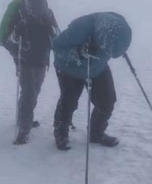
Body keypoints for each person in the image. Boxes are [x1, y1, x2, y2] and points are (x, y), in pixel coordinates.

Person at [52, 12, 132, 150]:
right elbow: (57, 47)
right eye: (107, 49)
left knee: (107, 100)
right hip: (70, 68)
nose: (108, 52)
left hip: (97, 68)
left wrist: (119, 49)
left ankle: (96, 133)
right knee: (69, 101)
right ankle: (61, 133)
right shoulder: (80, 28)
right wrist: (79, 52)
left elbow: (114, 46)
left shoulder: (118, 31)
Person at [0, 0, 59, 145]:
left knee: (35, 91)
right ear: (28, 1)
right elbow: (7, 41)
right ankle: (24, 128)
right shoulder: (19, 15)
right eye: (36, 2)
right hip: (24, 59)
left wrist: (51, 29)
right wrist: (16, 34)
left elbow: (57, 37)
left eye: (41, 1)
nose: (39, 6)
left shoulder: (48, 14)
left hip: (41, 59)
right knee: (28, 92)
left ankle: (24, 117)